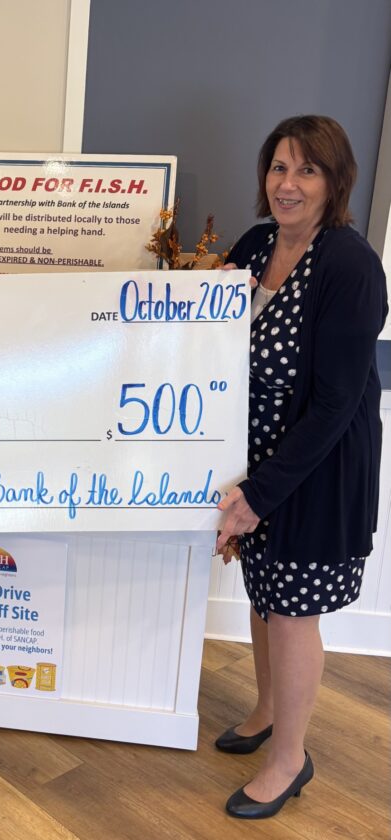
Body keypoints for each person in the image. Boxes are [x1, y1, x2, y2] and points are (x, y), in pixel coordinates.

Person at [215, 116, 387, 819]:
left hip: (313, 473)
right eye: (278, 167)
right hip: (255, 463)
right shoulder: (256, 243)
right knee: (264, 597)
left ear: (334, 181)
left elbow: (336, 403)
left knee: (291, 614)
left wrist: (260, 495)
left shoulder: (349, 266)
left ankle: (290, 759)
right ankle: (265, 712)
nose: (287, 184)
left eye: (306, 170)